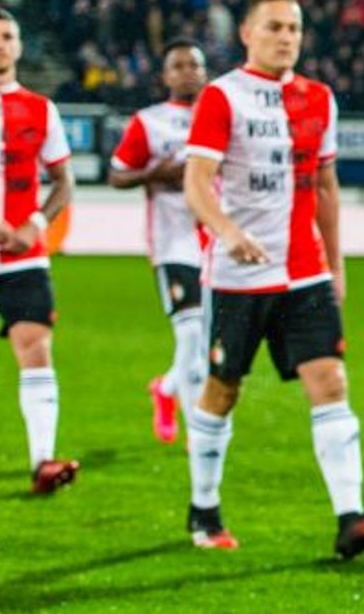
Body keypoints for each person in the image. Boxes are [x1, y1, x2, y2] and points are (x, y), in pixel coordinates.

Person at [182, 0, 364, 557]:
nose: (287, 38)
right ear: (247, 34)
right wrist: (229, 233)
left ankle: (349, 519)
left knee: (330, 383)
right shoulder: (221, 96)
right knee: (223, 390)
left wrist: (337, 266)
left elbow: (326, 188)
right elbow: (196, 183)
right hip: (238, 277)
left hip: (304, 272)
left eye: (295, 29)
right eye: (275, 27)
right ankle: (203, 508)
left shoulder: (320, 99)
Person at [0, 7, 78, 494]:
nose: (0, 45)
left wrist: (37, 223)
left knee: (36, 347)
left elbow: (64, 182)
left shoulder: (41, 109)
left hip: (24, 255)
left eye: (8, 36)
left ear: (20, 47)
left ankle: (43, 462)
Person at [109, 40, 209, 444]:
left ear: (204, 72)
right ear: (165, 75)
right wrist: (155, 173)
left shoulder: (223, 118)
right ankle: (198, 433)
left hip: (219, 243)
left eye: (194, 65)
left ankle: (165, 389)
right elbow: (117, 175)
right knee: (190, 335)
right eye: (178, 66)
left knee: (206, 339)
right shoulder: (150, 122)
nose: (187, 72)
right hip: (174, 243)